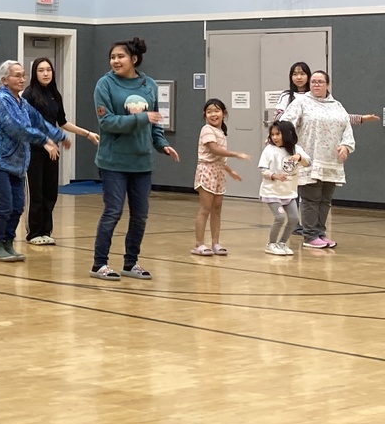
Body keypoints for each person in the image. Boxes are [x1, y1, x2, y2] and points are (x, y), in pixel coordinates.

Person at [90, 37, 179, 282]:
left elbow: (155, 124)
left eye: (120, 57)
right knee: (113, 212)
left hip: (141, 163)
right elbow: (107, 122)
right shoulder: (105, 85)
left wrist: (162, 145)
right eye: (112, 57)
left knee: (140, 215)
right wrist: (142, 119)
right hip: (113, 162)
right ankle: (100, 264)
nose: (115, 61)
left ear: (134, 59)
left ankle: (131, 262)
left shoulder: (148, 84)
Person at [0, 60, 68, 263]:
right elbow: (17, 128)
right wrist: (45, 140)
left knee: (18, 205)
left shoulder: (21, 101)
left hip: (17, 163)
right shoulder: (1, 100)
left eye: (23, 75)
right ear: (4, 80)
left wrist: (59, 135)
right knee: (5, 205)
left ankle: (7, 242)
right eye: (17, 75)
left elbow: (38, 120)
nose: (22, 79)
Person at [22, 57, 99, 245]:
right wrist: (44, 142)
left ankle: (46, 231)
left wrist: (87, 133)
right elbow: (27, 125)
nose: (46, 73)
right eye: (41, 70)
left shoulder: (55, 95)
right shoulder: (29, 95)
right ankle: (33, 233)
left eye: (48, 69)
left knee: (50, 192)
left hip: (52, 150)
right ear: (35, 73)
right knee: (36, 193)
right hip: (34, 149)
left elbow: (62, 122)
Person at [280, 70, 355, 249]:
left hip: (331, 161)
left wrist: (345, 146)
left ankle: (320, 233)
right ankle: (310, 236)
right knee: (310, 198)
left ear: (327, 84)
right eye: (313, 82)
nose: (316, 85)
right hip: (309, 159)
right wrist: (292, 148)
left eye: (320, 82)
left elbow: (347, 128)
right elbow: (285, 123)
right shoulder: (301, 103)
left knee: (325, 199)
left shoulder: (337, 105)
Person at [191, 98, 250, 256]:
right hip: (207, 171)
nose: (213, 114)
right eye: (209, 111)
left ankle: (215, 243)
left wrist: (230, 171)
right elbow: (214, 150)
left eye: (216, 111)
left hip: (218, 172)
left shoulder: (222, 132)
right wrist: (236, 154)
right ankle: (199, 244)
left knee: (217, 209)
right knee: (205, 209)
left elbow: (219, 159)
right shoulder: (207, 129)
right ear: (205, 115)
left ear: (224, 113)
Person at [258, 120, 310, 255]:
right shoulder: (269, 150)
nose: (275, 137)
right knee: (280, 217)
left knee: (293, 218)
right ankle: (271, 244)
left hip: (289, 193)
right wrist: (274, 176)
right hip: (272, 193)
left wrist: (299, 158)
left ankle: (282, 243)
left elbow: (308, 162)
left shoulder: (296, 149)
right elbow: (263, 169)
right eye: (272, 134)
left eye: (278, 134)